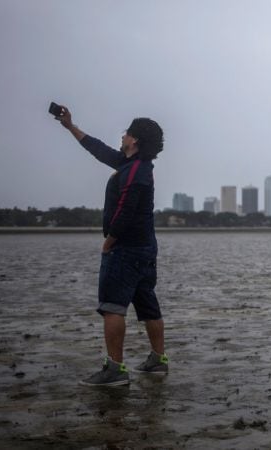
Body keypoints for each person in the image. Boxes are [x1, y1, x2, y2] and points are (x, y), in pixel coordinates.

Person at [54, 105, 168, 386]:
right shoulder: (131, 165)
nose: (123, 135)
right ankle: (158, 360)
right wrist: (71, 126)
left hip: (126, 249)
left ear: (134, 140)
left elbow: (125, 210)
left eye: (127, 132)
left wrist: (109, 242)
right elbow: (99, 149)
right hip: (144, 248)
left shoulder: (135, 170)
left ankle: (115, 370)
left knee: (113, 307)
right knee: (147, 303)